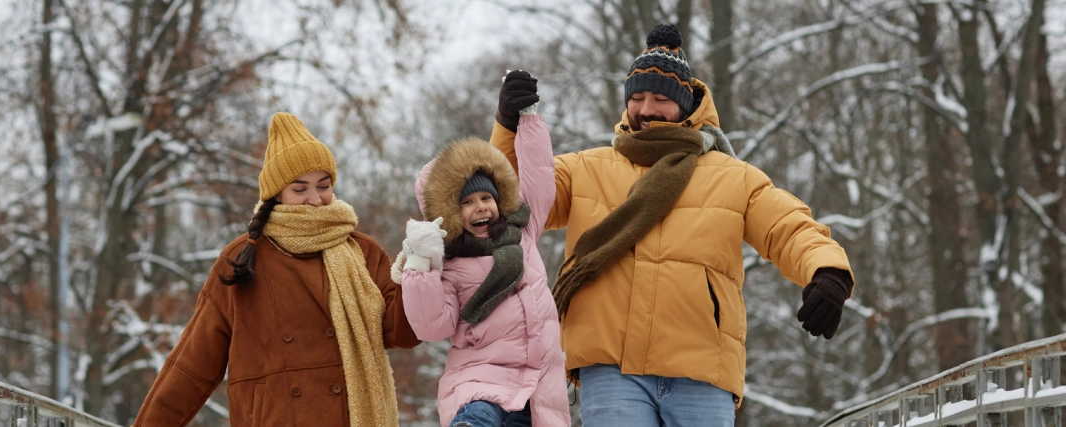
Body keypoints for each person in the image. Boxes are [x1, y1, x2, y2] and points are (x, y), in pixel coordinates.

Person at [489, 24, 856, 426]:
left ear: (685, 105)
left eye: (661, 98)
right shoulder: (585, 170)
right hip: (611, 368)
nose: (646, 109)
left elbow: (788, 226)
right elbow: (513, 198)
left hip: (700, 367)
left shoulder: (731, 176)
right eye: (638, 97)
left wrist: (827, 270)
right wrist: (509, 127)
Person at [133, 112, 420, 427]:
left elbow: (402, 332)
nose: (315, 199)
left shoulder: (361, 251)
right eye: (300, 189)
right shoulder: (243, 256)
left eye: (323, 185)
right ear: (277, 194)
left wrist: (420, 270)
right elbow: (194, 364)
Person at [394, 83, 568, 427]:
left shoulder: (522, 233)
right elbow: (433, 326)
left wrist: (528, 120)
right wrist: (419, 265)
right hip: (480, 382)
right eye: (467, 203)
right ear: (451, 212)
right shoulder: (450, 263)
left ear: (498, 199)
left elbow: (539, 176)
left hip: (537, 391)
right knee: (477, 419)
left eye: (485, 199)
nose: (480, 208)